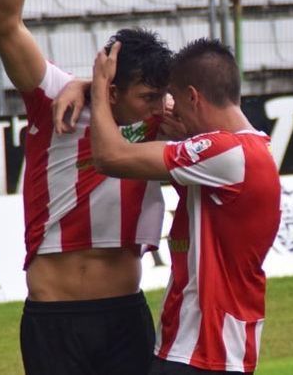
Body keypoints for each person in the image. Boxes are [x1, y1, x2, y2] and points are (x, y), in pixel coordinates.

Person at [0, 0, 172, 373]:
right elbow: (5, 24)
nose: (156, 105)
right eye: (147, 96)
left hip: (125, 313)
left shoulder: (163, 120)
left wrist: (93, 82)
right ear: (112, 86)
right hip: (55, 315)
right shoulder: (55, 98)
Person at [89, 38, 281, 375]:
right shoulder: (250, 151)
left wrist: (99, 87)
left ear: (193, 97)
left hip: (203, 349)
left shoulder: (226, 152)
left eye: (175, 101)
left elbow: (109, 157)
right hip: (200, 345)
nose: (169, 111)